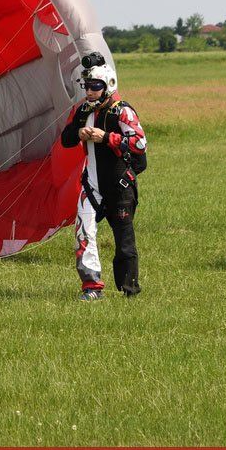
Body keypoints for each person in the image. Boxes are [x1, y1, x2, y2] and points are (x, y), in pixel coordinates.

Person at [60, 52, 147, 300]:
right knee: (83, 233)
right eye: (87, 86)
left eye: (95, 87)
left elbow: (140, 144)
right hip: (92, 186)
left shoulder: (123, 111)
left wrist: (106, 138)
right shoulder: (83, 111)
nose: (89, 92)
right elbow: (65, 140)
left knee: (124, 242)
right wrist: (79, 133)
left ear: (107, 85)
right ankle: (91, 287)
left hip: (120, 185)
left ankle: (130, 291)